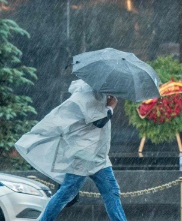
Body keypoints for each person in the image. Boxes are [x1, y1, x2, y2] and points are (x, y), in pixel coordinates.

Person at [15, 79, 127, 221]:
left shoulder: (99, 93)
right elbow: (98, 121)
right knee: (66, 194)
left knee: (111, 191)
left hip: (98, 155)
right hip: (84, 154)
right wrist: (111, 107)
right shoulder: (87, 93)